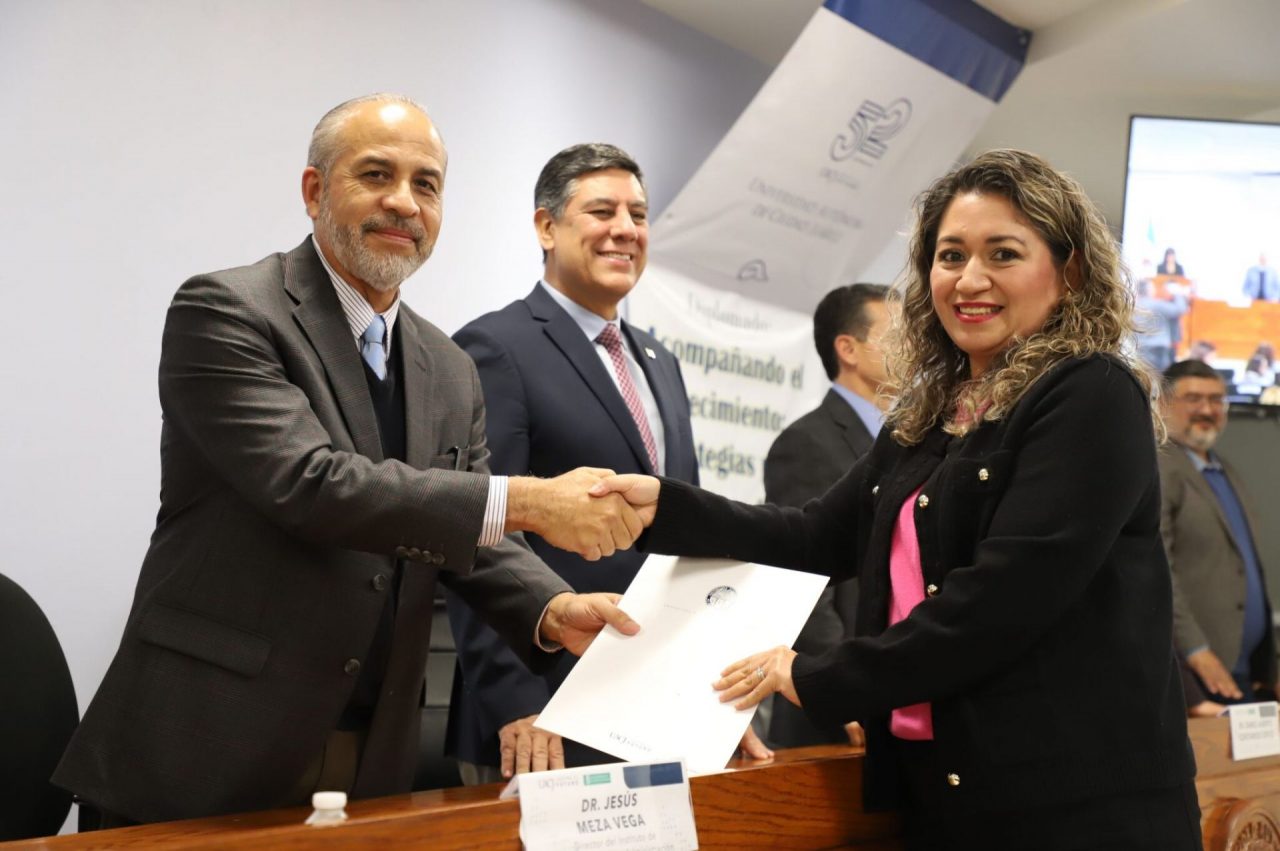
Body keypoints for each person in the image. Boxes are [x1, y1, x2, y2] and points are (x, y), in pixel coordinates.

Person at [52, 94, 644, 826]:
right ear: (314, 191)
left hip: (370, 759)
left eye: (426, 185)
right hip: (206, 748)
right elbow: (312, 483)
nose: (404, 203)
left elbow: (467, 533)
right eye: (376, 175)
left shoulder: (450, 367)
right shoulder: (227, 310)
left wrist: (551, 608)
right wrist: (527, 499)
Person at [592, 150, 1200, 849]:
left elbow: (1001, 600)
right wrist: (661, 507)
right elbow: (814, 535)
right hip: (944, 790)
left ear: (1070, 273)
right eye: (951, 255)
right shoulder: (929, 415)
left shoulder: (1091, 393)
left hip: (1077, 810)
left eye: (1003, 254)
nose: (970, 279)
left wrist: (817, 676)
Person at [443, 143, 749, 781]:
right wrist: (516, 699)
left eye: (638, 214)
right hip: (549, 708)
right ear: (546, 227)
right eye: (602, 211)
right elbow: (479, 528)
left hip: (658, 701)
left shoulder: (660, 361)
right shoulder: (495, 346)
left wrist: (712, 693)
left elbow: (685, 537)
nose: (625, 229)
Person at [762, 282, 893, 749]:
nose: (914, 347)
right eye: (898, 334)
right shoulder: (808, 442)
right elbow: (803, 576)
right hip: (830, 703)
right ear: (848, 349)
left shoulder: (907, 440)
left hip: (888, 685)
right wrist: (841, 681)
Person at [1159, 359, 1277, 704]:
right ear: (1163, 404)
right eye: (1194, 398)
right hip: (1194, 679)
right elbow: (1157, 571)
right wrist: (1195, 649)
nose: (1207, 410)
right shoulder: (1159, 466)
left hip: (1244, 672)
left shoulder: (1224, 470)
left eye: (1216, 399)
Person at [1135, 274, 1188, 371]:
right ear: (1149, 289)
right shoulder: (1157, 305)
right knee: (1160, 376)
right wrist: (1177, 293)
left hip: (1139, 347)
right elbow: (1180, 309)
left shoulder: (1133, 307)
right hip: (1157, 348)